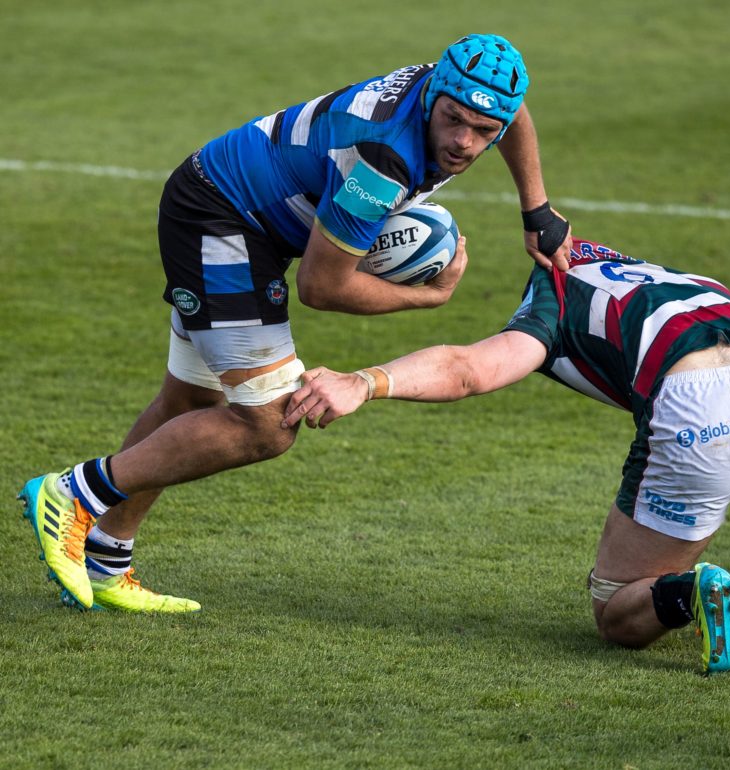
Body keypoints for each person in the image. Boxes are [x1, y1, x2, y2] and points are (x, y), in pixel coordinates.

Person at [281, 237, 730, 689]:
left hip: (691, 414)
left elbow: (471, 370)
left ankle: (691, 591)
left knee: (616, 609)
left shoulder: (554, 297)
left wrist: (365, 380)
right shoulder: (686, 280)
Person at [17, 33, 572, 613]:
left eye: (484, 130)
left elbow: (514, 109)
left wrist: (535, 207)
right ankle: (73, 493)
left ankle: (106, 559)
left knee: (190, 398)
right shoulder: (383, 159)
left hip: (247, 210)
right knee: (268, 424)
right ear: (436, 94)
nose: (464, 141)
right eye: (454, 120)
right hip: (223, 220)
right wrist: (426, 299)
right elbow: (322, 286)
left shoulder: (463, 87)